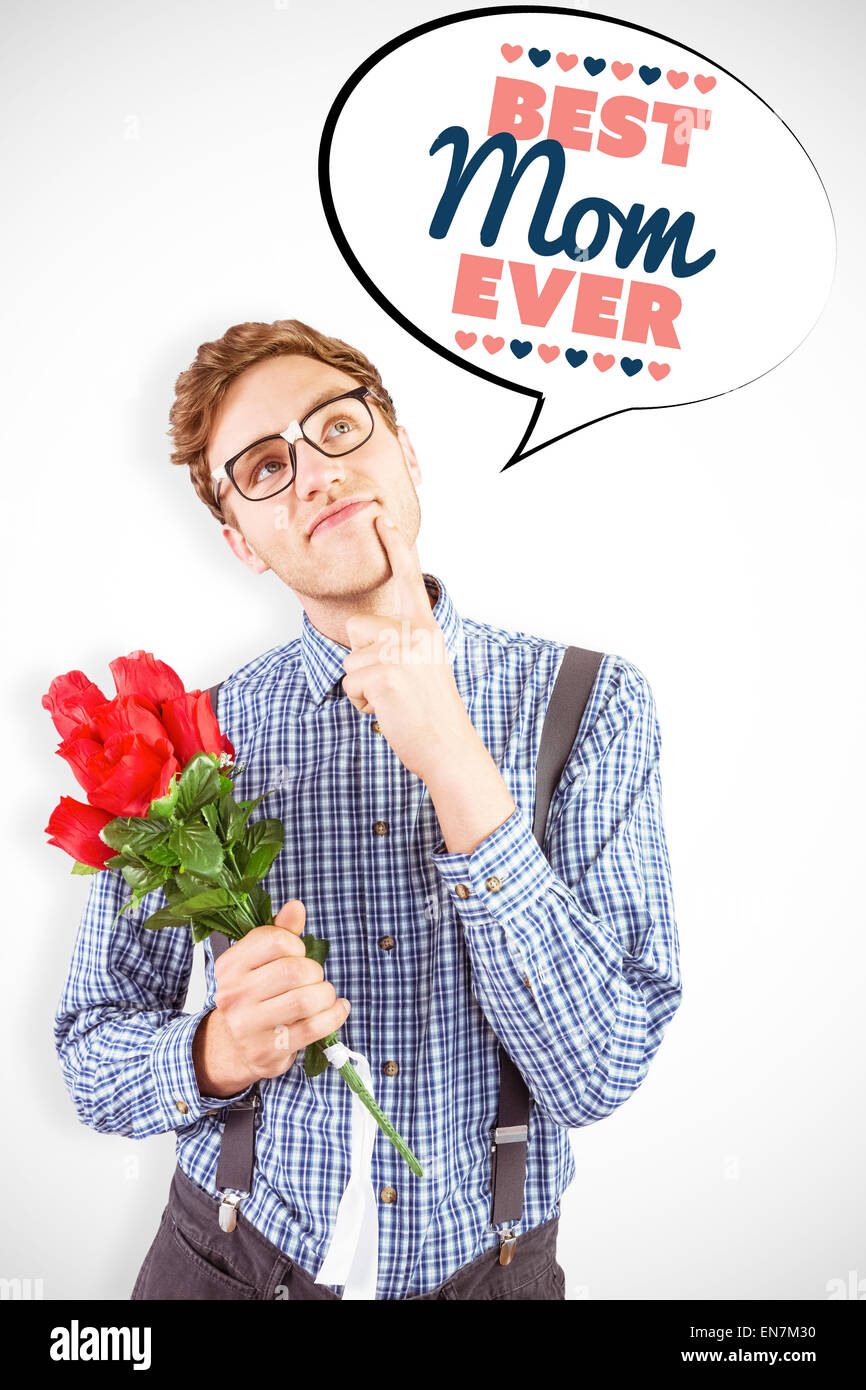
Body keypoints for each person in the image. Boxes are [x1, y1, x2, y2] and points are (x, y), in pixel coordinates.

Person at [54, 318, 683, 1301]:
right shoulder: (193, 741)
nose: (311, 472)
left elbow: (596, 1070)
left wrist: (453, 760)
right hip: (224, 1260)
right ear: (240, 539)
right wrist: (215, 1050)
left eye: (336, 428)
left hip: (493, 1271)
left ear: (404, 452)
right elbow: (91, 1051)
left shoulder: (589, 703)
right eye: (263, 466)